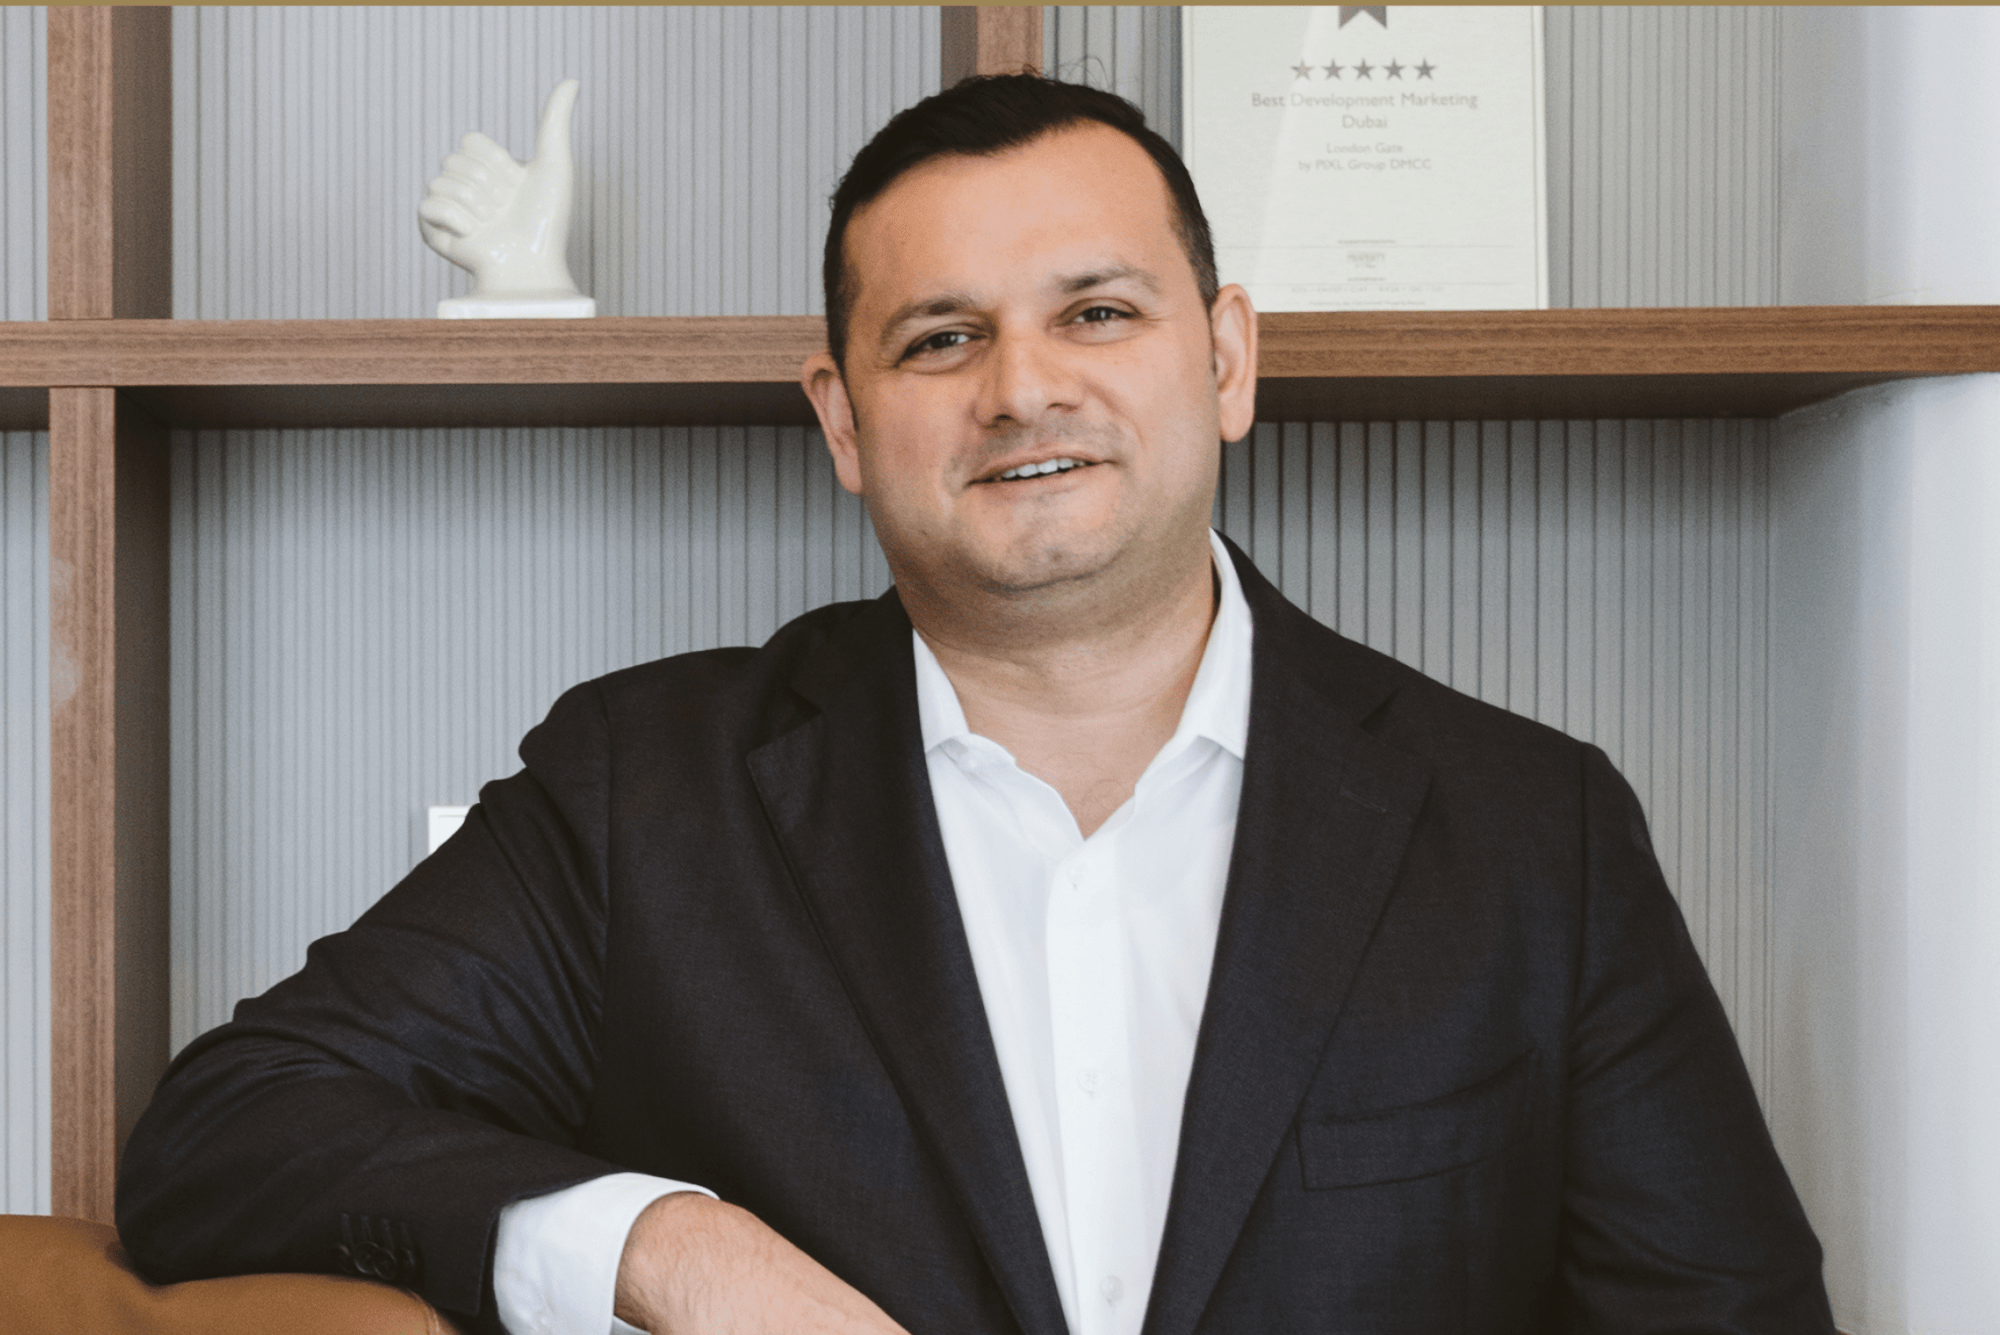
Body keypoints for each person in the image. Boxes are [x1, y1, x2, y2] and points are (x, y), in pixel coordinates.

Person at [118, 75, 1834, 1335]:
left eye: (1099, 311)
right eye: (941, 339)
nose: (1025, 387)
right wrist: (666, 1247)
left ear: (1226, 358)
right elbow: (222, 1133)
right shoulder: (646, 791)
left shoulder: (1533, 828)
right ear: (842, 418)